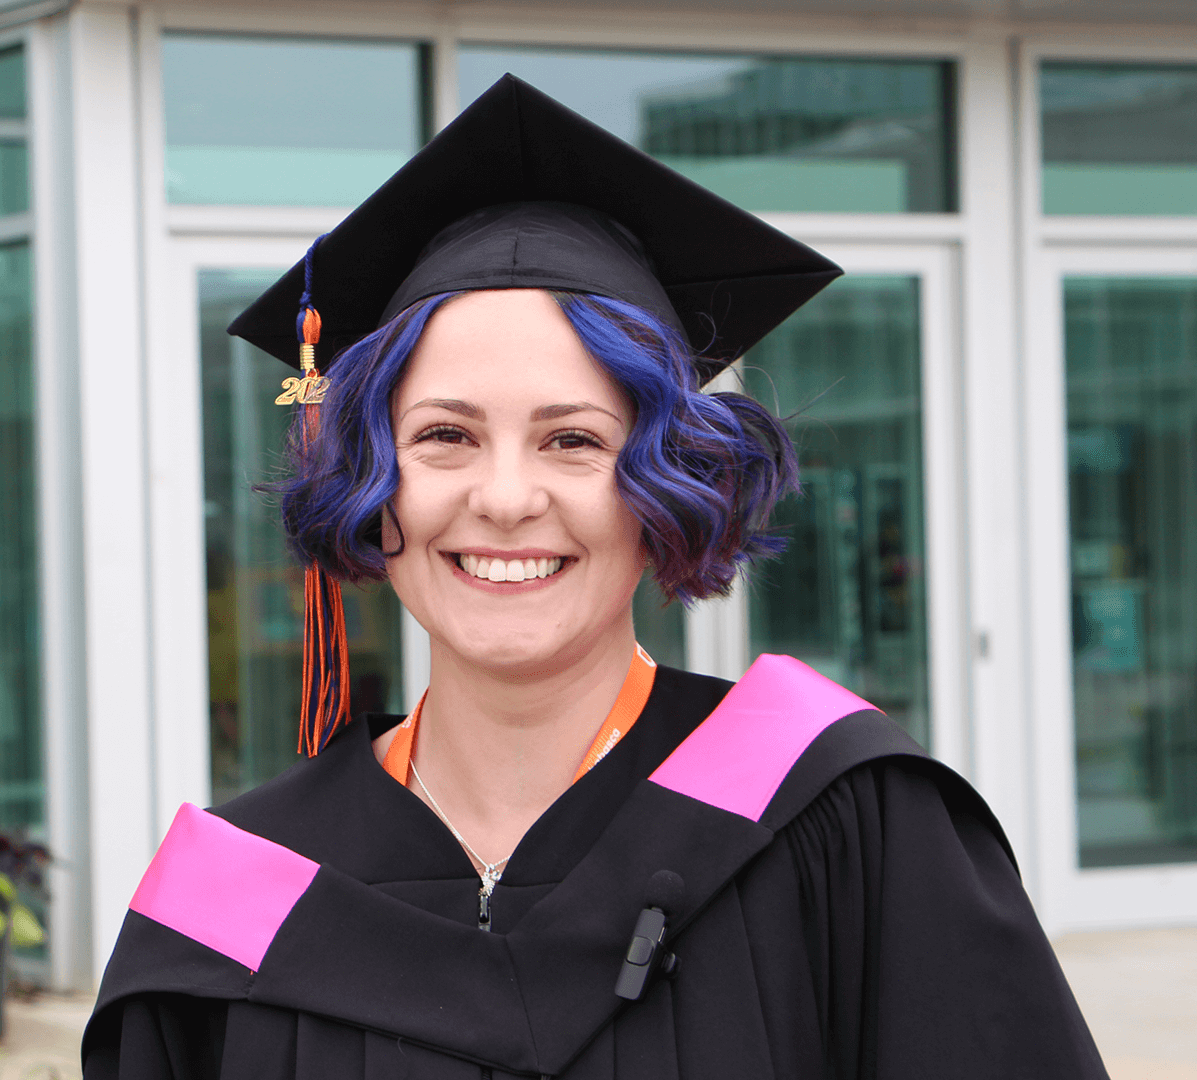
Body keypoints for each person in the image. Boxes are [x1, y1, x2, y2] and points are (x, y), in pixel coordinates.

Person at [82, 76, 1107, 1079]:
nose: (506, 496)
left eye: (574, 440)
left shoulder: (846, 827)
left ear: (664, 483)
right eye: (445, 435)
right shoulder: (232, 898)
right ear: (374, 480)